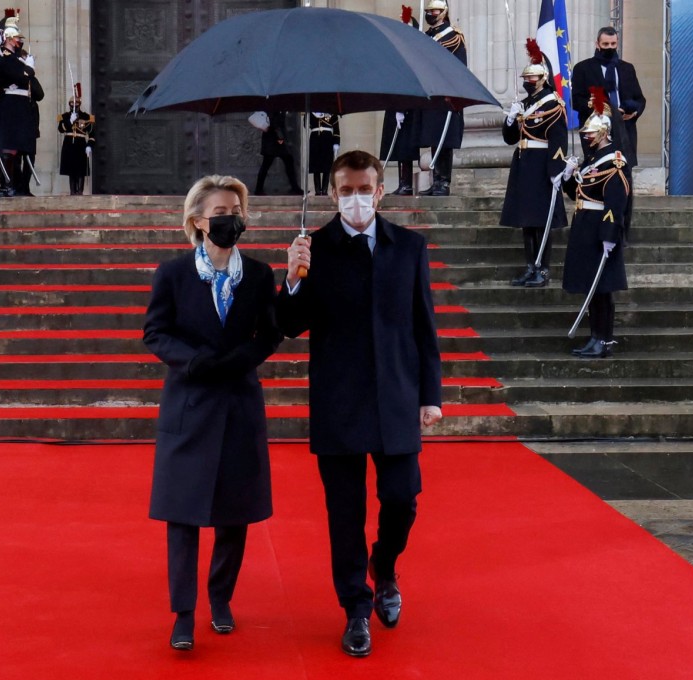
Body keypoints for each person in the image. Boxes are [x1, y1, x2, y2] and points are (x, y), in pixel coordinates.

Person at [276, 150, 443, 657]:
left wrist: (429, 395)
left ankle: (385, 566)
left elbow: (424, 325)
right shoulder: (315, 248)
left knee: (402, 498)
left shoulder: (408, 247)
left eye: (363, 188)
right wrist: (293, 277)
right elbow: (288, 324)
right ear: (331, 193)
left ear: (380, 190)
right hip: (339, 400)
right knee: (343, 513)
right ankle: (355, 608)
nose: (354, 198)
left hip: (395, 396)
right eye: (344, 190)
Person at [142, 175, 282, 652]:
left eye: (238, 211)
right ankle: (183, 614)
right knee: (181, 516)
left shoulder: (260, 275)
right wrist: (194, 360)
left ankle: (220, 600)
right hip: (189, 403)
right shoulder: (174, 274)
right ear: (199, 220)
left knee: (234, 514)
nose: (232, 219)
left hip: (239, 404)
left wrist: (297, 282)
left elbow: (273, 332)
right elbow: (155, 332)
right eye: (222, 212)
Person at [561, 89, 629, 359]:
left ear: (603, 133)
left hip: (600, 228)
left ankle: (604, 339)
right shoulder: (591, 161)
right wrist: (569, 174)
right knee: (592, 287)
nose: (586, 137)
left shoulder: (614, 162)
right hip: (584, 227)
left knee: (602, 289)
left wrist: (610, 233)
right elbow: (575, 193)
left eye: (590, 134)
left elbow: (616, 202)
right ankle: (594, 336)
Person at [500, 38, 569, 288]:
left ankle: (543, 268)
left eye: (531, 79)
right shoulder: (525, 104)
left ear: (542, 79)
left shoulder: (553, 104)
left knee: (542, 221)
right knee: (526, 221)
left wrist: (555, 171)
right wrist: (510, 118)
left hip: (542, 167)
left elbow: (559, 140)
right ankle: (530, 266)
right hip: (523, 164)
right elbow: (510, 139)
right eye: (525, 79)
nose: (527, 83)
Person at [571, 27, 645, 243]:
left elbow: (640, 99)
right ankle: (598, 230)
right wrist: (598, 106)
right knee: (599, 177)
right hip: (597, 132)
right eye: (606, 45)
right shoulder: (583, 68)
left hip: (625, 130)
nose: (610, 49)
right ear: (597, 44)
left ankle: (623, 230)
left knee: (624, 179)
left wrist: (633, 110)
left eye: (613, 45)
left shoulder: (627, 69)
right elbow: (576, 100)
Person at [417, 0, 467, 197]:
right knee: (433, 138)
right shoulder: (425, 36)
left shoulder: (454, 36)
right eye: (428, 11)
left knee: (445, 139)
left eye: (435, 10)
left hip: (447, 93)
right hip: (431, 93)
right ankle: (435, 179)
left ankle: (444, 182)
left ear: (444, 12)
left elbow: (459, 67)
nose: (431, 13)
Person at [0, 13, 41, 197]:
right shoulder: (3, 57)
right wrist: (28, 69)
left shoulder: (17, 59)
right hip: (10, 105)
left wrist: (26, 70)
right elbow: (19, 76)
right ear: (9, 39)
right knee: (9, 148)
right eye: (17, 38)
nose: (19, 41)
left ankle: (22, 187)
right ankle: (7, 184)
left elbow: (36, 90)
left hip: (23, 107)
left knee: (24, 148)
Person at [379, 6, 421, 196]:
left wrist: (402, 108)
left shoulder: (414, 55)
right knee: (397, 148)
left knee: (405, 148)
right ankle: (402, 183)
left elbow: (409, 83)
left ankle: (406, 184)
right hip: (395, 104)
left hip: (408, 107)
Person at [254, 111, 303, 196]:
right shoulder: (274, 107)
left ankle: (295, 187)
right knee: (267, 165)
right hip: (274, 140)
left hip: (275, 140)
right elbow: (274, 123)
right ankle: (258, 189)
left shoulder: (278, 108)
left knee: (287, 162)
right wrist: (281, 138)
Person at [58, 84, 95, 195]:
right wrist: (70, 121)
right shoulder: (64, 116)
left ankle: (80, 192)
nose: (74, 105)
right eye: (72, 103)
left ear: (80, 104)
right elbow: (61, 129)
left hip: (80, 144)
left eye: (76, 103)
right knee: (71, 170)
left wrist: (89, 145)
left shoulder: (87, 117)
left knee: (80, 171)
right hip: (69, 144)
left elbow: (92, 134)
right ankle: (72, 192)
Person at [308, 112, 340, 196]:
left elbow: (336, 129)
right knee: (316, 166)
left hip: (327, 139)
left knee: (327, 165)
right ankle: (317, 190)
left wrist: (336, 142)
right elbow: (306, 124)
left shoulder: (332, 114)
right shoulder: (311, 113)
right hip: (315, 139)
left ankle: (325, 189)